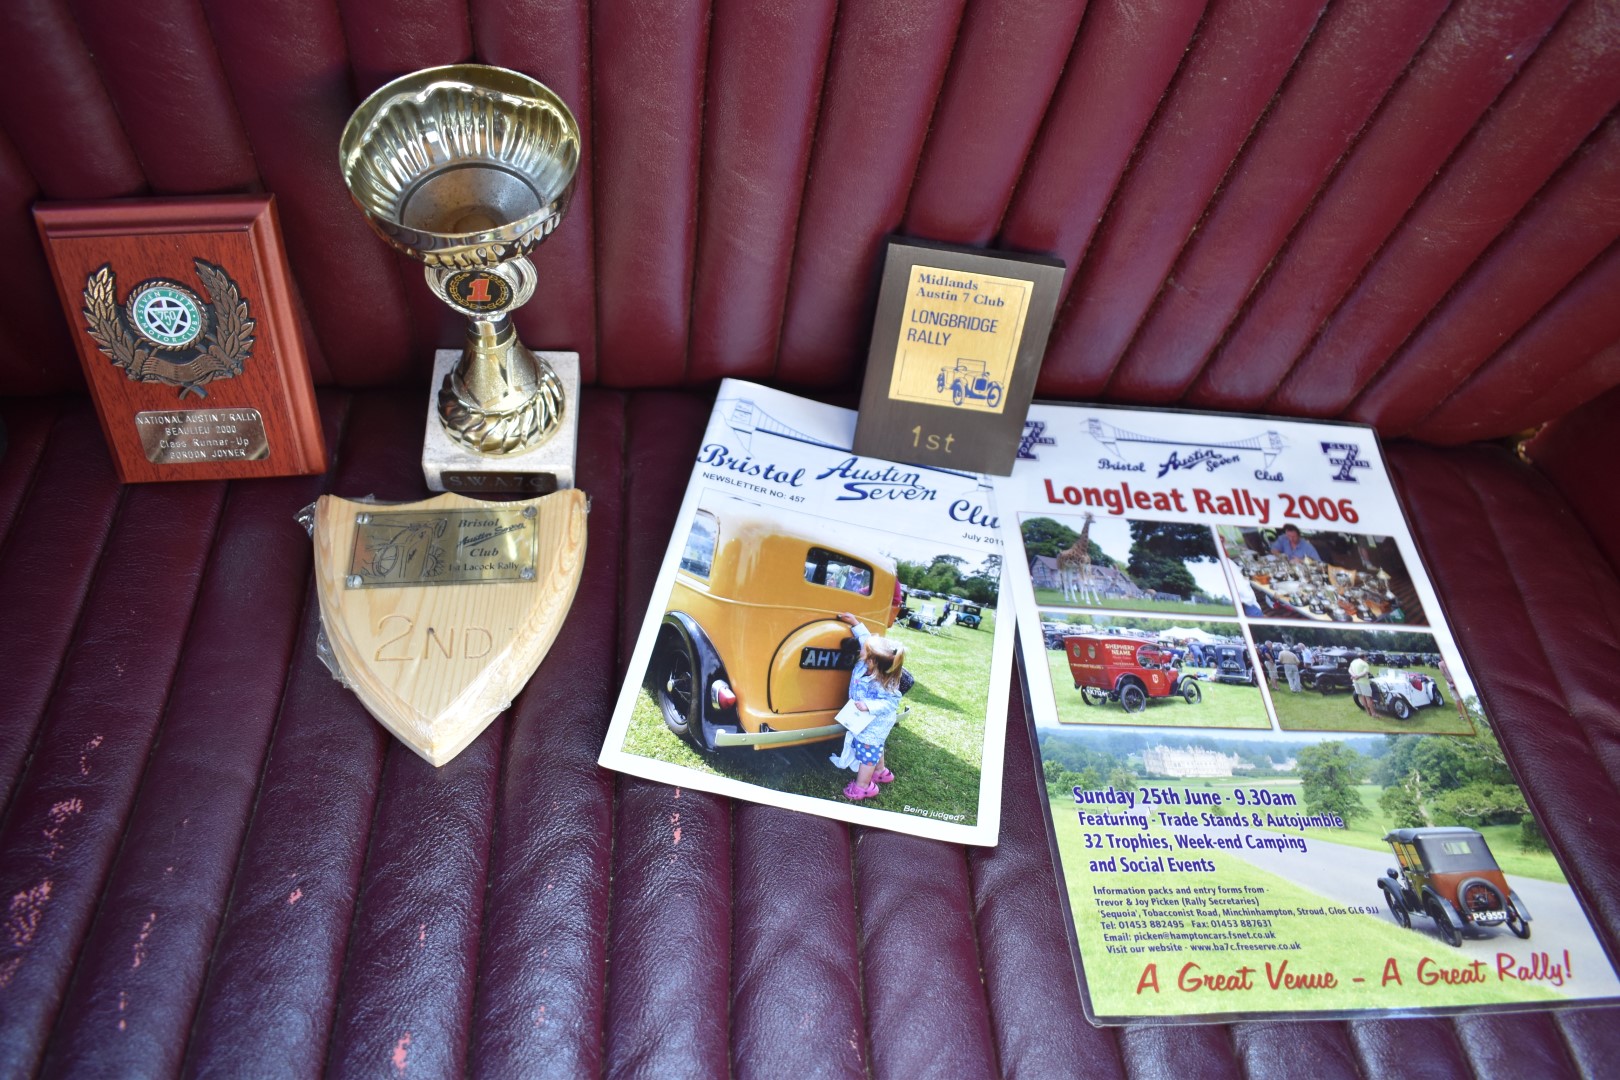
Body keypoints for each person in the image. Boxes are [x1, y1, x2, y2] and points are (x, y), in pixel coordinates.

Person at [834, 612, 907, 800]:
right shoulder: (869, 662)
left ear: (872, 661)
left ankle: (863, 786)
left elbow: (892, 702)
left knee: (867, 753)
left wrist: (868, 705)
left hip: (874, 723)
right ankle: (880, 771)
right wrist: (855, 623)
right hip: (866, 722)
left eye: (864, 651)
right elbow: (866, 639)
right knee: (875, 747)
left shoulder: (884, 682)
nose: (860, 651)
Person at [1349, 652, 1375, 717]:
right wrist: (1357, 676)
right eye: (1366, 657)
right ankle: (1373, 713)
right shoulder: (1365, 664)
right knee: (1368, 697)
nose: (1367, 658)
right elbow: (1365, 672)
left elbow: (1350, 669)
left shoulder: (1354, 662)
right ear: (1364, 657)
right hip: (1363, 682)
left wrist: (1354, 676)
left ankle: (1367, 711)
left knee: (1361, 696)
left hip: (1355, 681)